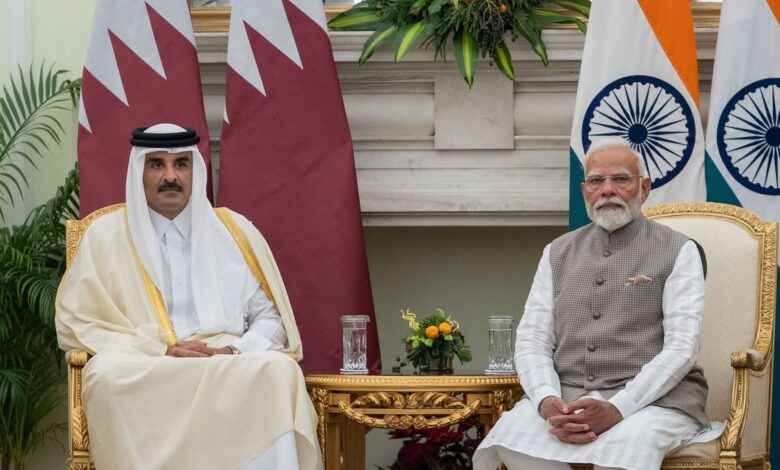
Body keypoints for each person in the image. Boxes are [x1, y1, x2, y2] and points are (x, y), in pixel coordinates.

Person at [56, 123, 322, 470]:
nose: (171, 176)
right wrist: (159, 348)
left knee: (278, 370)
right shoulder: (105, 236)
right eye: (157, 164)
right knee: (107, 376)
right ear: (138, 172)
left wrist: (233, 350)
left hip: (221, 359)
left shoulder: (233, 232)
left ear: (195, 170)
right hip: (146, 362)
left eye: (181, 164)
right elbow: (75, 323)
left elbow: (270, 319)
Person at [473, 138, 716, 470]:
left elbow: (681, 348)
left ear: (644, 188)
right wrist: (546, 399)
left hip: (656, 401)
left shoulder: (679, 250)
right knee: (511, 437)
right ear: (584, 190)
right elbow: (533, 339)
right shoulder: (557, 252)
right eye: (596, 181)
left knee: (627, 445)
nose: (607, 189)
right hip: (568, 395)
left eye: (621, 179)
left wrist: (618, 408)